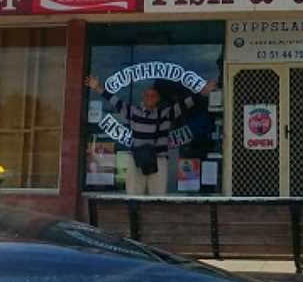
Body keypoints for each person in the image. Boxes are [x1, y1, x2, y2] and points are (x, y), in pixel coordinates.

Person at [84, 75, 217, 195]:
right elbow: (114, 100)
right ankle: (134, 221)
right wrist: (97, 87)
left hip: (158, 160)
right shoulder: (133, 112)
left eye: (153, 96)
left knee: (157, 197)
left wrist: (204, 92)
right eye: (147, 95)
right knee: (133, 196)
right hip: (137, 159)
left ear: (158, 99)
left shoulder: (165, 113)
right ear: (142, 98)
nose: (150, 98)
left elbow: (187, 103)